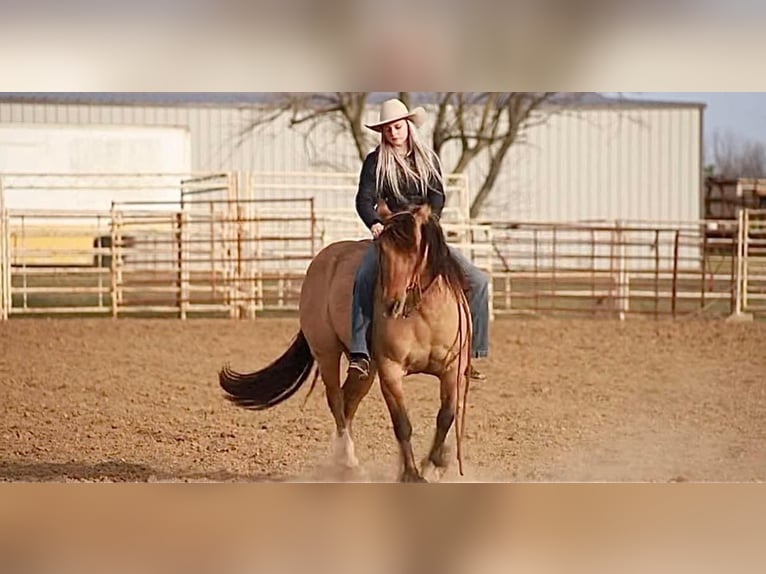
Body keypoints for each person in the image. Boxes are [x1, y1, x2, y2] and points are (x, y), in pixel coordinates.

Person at [348, 98, 489, 381]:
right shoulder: (376, 161)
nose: (393, 133)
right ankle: (360, 352)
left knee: (478, 280)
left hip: (423, 234)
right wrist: (375, 223)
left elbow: (437, 196)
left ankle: (471, 352)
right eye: (387, 129)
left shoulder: (428, 158)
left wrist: (428, 220)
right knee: (364, 277)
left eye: (397, 127)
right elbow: (363, 200)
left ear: (408, 126)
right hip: (392, 236)